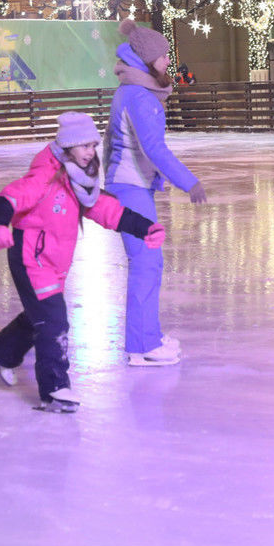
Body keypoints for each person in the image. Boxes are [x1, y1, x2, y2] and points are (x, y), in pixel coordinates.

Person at [0, 113, 166, 412]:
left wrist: (145, 228)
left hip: (54, 260)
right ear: (67, 146)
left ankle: (2, 352)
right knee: (54, 320)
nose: (90, 152)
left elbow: (108, 210)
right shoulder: (45, 175)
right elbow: (10, 198)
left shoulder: (80, 180)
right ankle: (55, 390)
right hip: (31, 258)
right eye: (83, 146)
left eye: (92, 145)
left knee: (39, 314)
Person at [104, 19, 206, 367]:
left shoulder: (136, 90)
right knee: (146, 263)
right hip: (129, 189)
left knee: (150, 261)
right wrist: (188, 181)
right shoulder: (138, 95)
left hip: (132, 187)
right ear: (147, 60)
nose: (168, 62)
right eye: (164, 56)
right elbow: (154, 149)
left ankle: (148, 334)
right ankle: (142, 346)